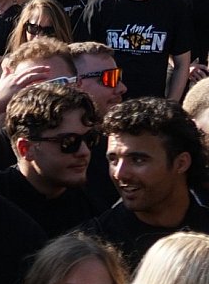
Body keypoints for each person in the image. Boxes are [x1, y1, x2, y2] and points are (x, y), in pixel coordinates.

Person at [87, 97, 209, 268]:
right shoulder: (93, 248)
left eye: (138, 160)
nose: (120, 173)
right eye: (113, 160)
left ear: (181, 163)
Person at [75, 0, 195, 101]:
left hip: (153, 105)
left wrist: (171, 104)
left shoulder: (174, 8)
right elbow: (79, 60)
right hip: (110, 104)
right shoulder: (100, 8)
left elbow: (182, 63)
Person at [0, 83, 106, 237]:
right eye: (69, 142)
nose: (84, 151)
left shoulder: (96, 203)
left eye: (90, 139)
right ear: (26, 148)